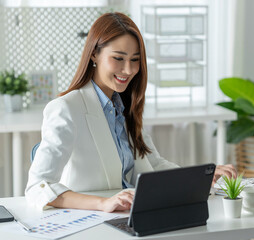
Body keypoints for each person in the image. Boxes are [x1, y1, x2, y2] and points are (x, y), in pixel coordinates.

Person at [25, 12, 237, 212]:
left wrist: (201, 177)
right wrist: (103, 203)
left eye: (135, 59)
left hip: (133, 216)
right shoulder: (66, 108)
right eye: (118, 58)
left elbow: (154, 164)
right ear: (94, 55)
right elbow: (38, 187)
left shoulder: (124, 105)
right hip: (94, 223)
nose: (128, 70)